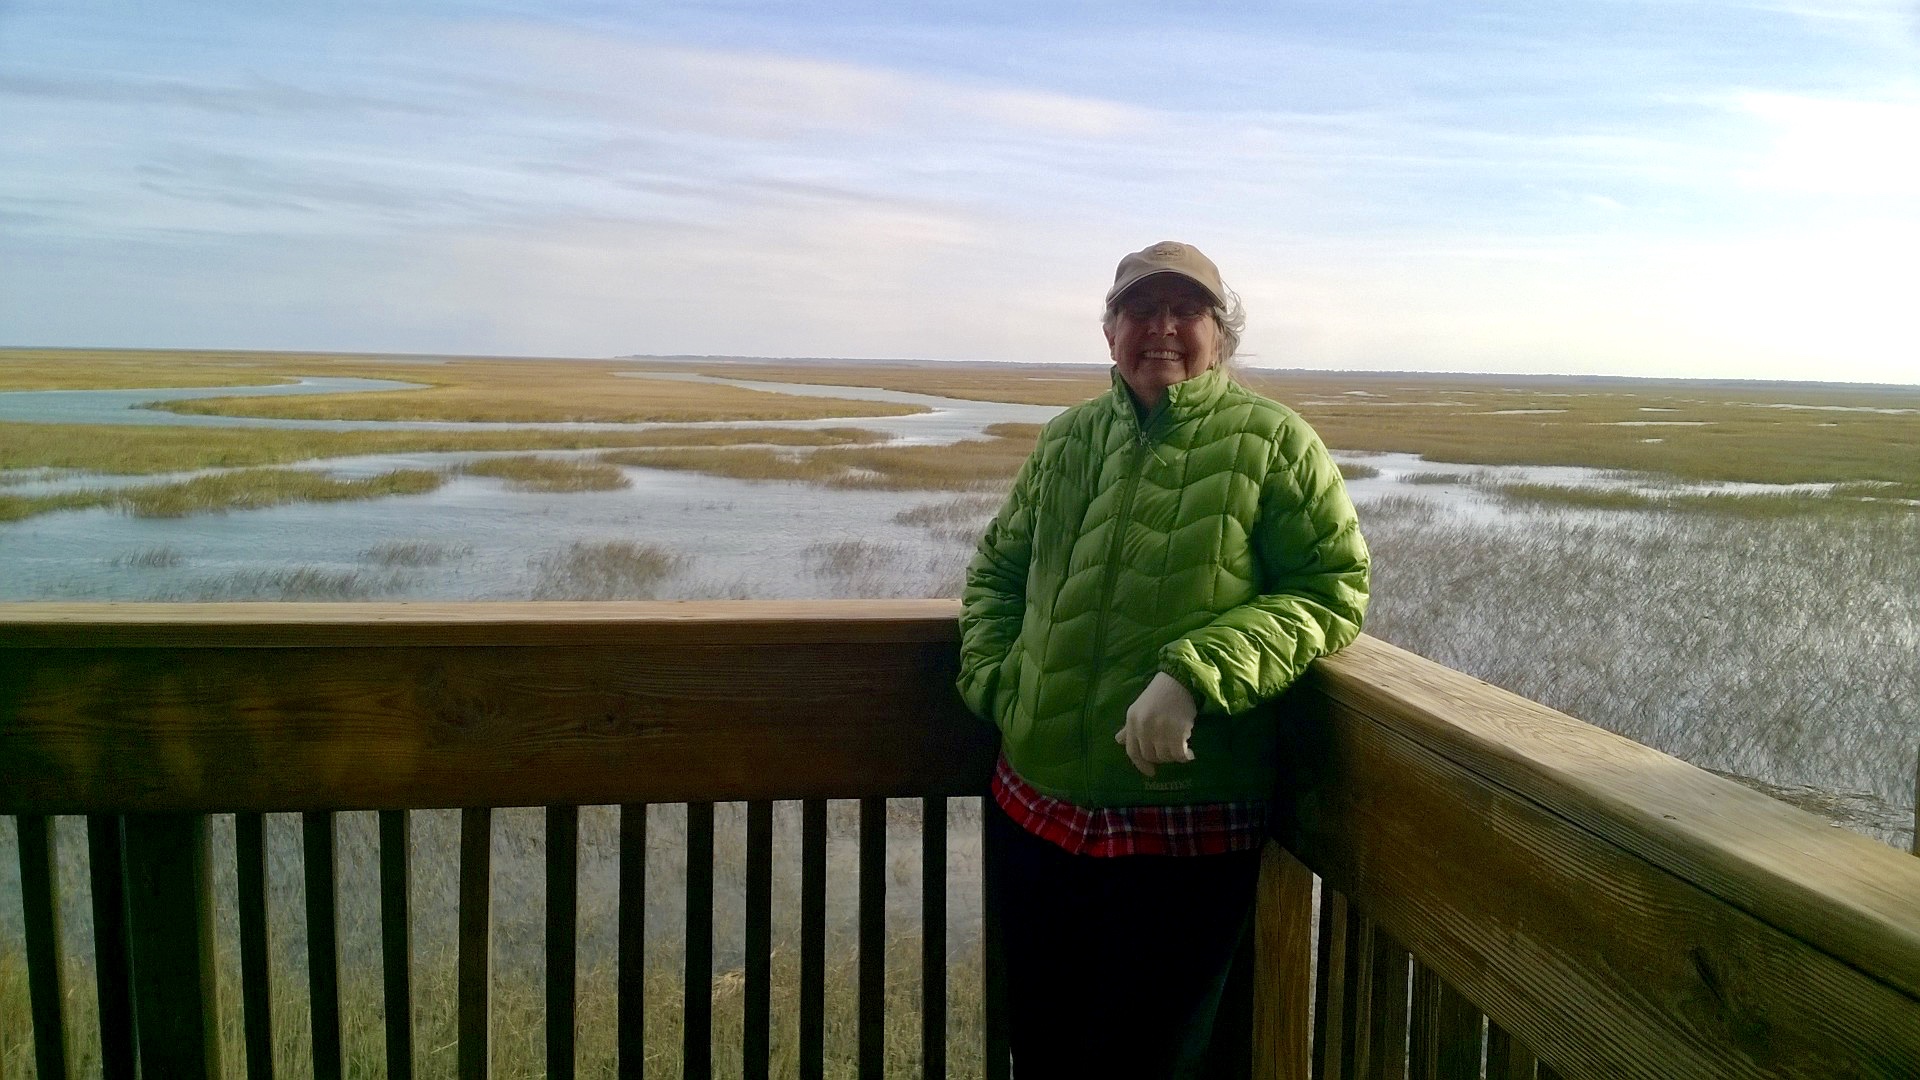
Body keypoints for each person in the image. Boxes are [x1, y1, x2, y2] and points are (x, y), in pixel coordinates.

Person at [958, 241, 1370, 1078]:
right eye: (1142, 310)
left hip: (1183, 825)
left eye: (1187, 311)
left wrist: (1196, 672)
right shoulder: (1069, 439)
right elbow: (998, 572)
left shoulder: (1274, 441)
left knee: (1148, 1063)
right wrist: (1002, 687)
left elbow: (1332, 589)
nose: (1164, 329)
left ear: (1222, 333)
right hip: (1036, 806)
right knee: (1041, 1053)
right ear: (1110, 330)